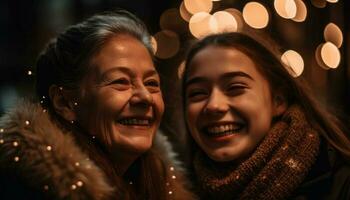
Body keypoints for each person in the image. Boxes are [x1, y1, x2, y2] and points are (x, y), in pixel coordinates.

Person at [0, 10, 196, 200]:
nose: (146, 97)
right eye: (120, 81)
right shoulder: (21, 188)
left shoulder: (161, 185)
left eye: (152, 83)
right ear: (65, 103)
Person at [181, 32, 350, 199]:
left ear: (278, 101)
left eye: (235, 88)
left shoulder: (341, 185)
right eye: (197, 93)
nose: (214, 105)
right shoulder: (175, 191)